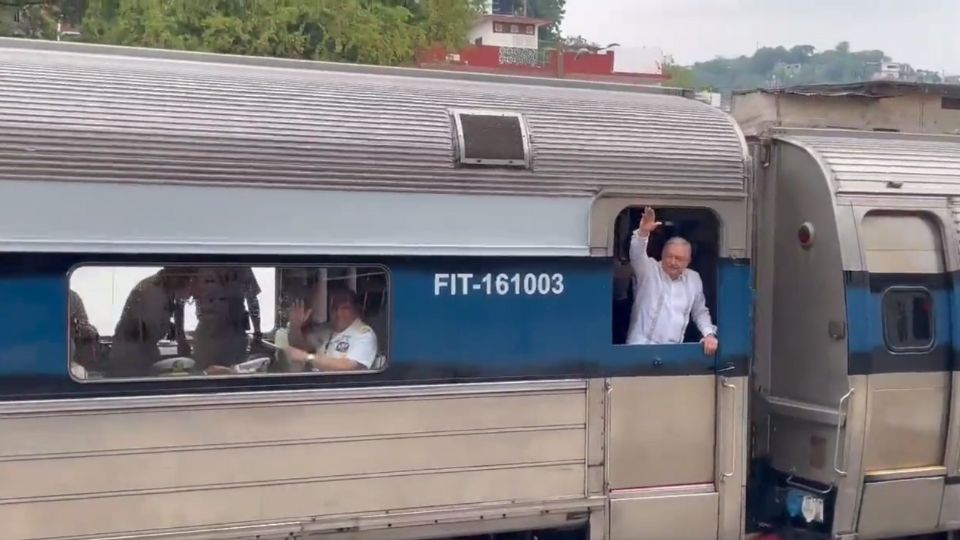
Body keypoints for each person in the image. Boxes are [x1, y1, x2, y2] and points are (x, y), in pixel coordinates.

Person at [626, 207, 718, 355]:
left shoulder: (694, 279)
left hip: (673, 353)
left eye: (679, 259)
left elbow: (700, 312)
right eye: (669, 256)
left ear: (688, 261)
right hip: (639, 349)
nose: (673, 262)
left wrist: (708, 334)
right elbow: (636, 253)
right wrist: (643, 233)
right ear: (662, 254)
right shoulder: (648, 269)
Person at [105, 267, 195, 377]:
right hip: (129, 352)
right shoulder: (150, 290)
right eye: (189, 280)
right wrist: (174, 332)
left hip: (148, 348)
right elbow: (153, 328)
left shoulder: (170, 287)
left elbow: (178, 306)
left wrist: (181, 338)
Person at [283, 286, 378, 371]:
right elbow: (300, 347)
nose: (338, 313)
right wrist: (295, 326)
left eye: (344, 308)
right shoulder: (326, 330)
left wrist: (307, 357)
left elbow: (350, 366)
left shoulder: (364, 335)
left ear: (356, 309)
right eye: (334, 307)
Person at [190, 266, 262, 370]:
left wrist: (257, 333)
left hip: (235, 332)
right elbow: (182, 298)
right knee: (205, 375)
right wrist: (180, 337)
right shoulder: (201, 266)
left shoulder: (242, 268)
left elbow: (252, 299)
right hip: (208, 333)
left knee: (234, 374)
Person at [68, 289, 100, 377]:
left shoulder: (72, 298)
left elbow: (83, 321)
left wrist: (87, 330)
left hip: (69, 360)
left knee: (79, 374)